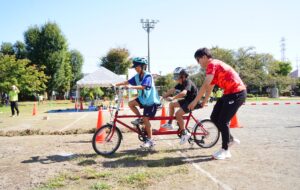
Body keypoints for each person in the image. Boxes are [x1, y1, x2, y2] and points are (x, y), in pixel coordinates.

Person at [188, 48, 246, 160]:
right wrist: (204, 101)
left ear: (204, 57)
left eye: (198, 60)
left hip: (237, 93)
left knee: (223, 121)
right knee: (214, 117)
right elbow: (209, 87)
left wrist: (195, 101)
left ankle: (225, 150)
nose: (198, 63)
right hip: (228, 94)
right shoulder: (213, 67)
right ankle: (230, 139)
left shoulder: (212, 64)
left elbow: (205, 85)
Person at [115, 57, 160, 148]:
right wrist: (115, 84)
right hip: (143, 99)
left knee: (146, 119)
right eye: (135, 67)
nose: (136, 69)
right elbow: (127, 82)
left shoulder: (148, 75)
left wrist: (130, 87)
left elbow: (143, 87)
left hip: (151, 101)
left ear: (143, 66)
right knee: (130, 104)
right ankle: (140, 118)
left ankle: (150, 140)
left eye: (137, 67)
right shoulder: (137, 76)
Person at [161, 67, 202, 144]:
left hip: (193, 102)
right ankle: (169, 123)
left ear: (183, 76)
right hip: (187, 100)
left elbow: (183, 93)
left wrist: (173, 97)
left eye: (177, 77)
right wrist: (163, 96)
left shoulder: (187, 82)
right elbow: (172, 90)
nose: (176, 79)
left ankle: (185, 133)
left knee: (178, 114)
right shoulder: (181, 83)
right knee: (171, 105)